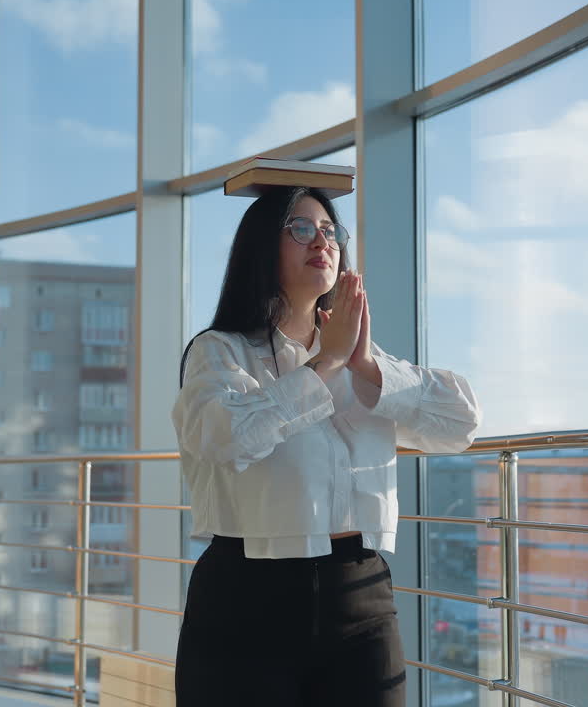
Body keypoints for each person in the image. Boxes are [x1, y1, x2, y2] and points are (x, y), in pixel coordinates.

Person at [171, 186, 482, 706]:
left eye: (330, 230)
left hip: (360, 596)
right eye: (301, 228)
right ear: (260, 248)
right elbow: (226, 438)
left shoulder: (359, 355)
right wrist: (326, 365)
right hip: (246, 598)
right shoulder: (219, 351)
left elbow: (461, 422)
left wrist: (363, 365)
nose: (322, 240)